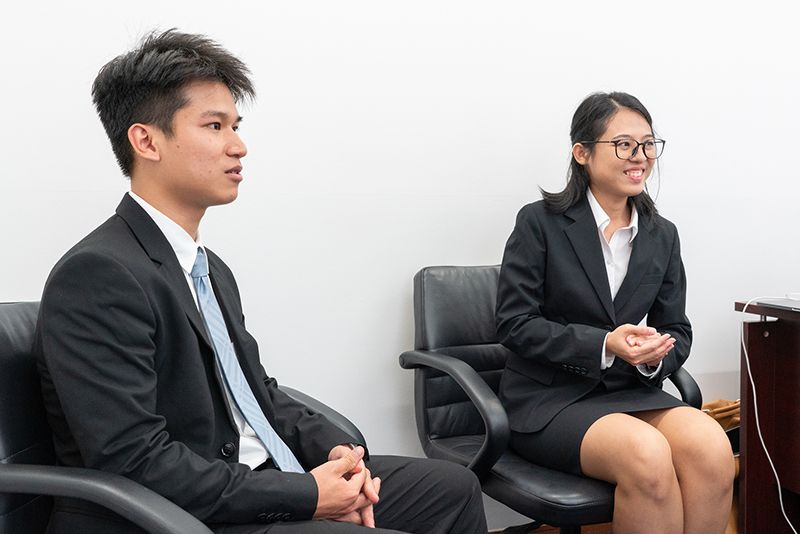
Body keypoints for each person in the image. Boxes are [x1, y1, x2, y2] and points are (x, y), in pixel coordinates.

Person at [33, 29, 487, 534]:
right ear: (146, 141)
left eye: (236, 126)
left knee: (451, 488)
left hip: (257, 479)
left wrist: (339, 453)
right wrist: (308, 497)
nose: (239, 146)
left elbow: (257, 392)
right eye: (215, 126)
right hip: (180, 514)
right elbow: (135, 459)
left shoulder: (207, 268)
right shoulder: (98, 275)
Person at [495, 92, 735, 534]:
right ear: (582, 153)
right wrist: (604, 344)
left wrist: (653, 357)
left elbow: (676, 328)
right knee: (647, 455)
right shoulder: (539, 223)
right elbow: (514, 325)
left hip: (628, 391)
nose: (640, 156)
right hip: (550, 399)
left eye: (648, 144)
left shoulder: (662, 235)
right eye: (624, 144)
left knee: (713, 447)